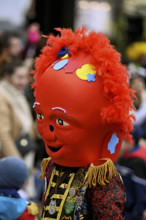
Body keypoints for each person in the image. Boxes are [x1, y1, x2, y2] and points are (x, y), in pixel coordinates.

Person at [32, 27, 135, 219]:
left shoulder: (101, 179)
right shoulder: (52, 167)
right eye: (40, 116)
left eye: (61, 121)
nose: (47, 133)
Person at [0, 59, 36, 158]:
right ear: (7, 77)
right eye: (20, 77)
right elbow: (3, 135)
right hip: (11, 157)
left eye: (25, 77)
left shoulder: (18, 93)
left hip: (24, 150)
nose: (24, 82)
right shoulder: (2, 97)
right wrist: (18, 163)